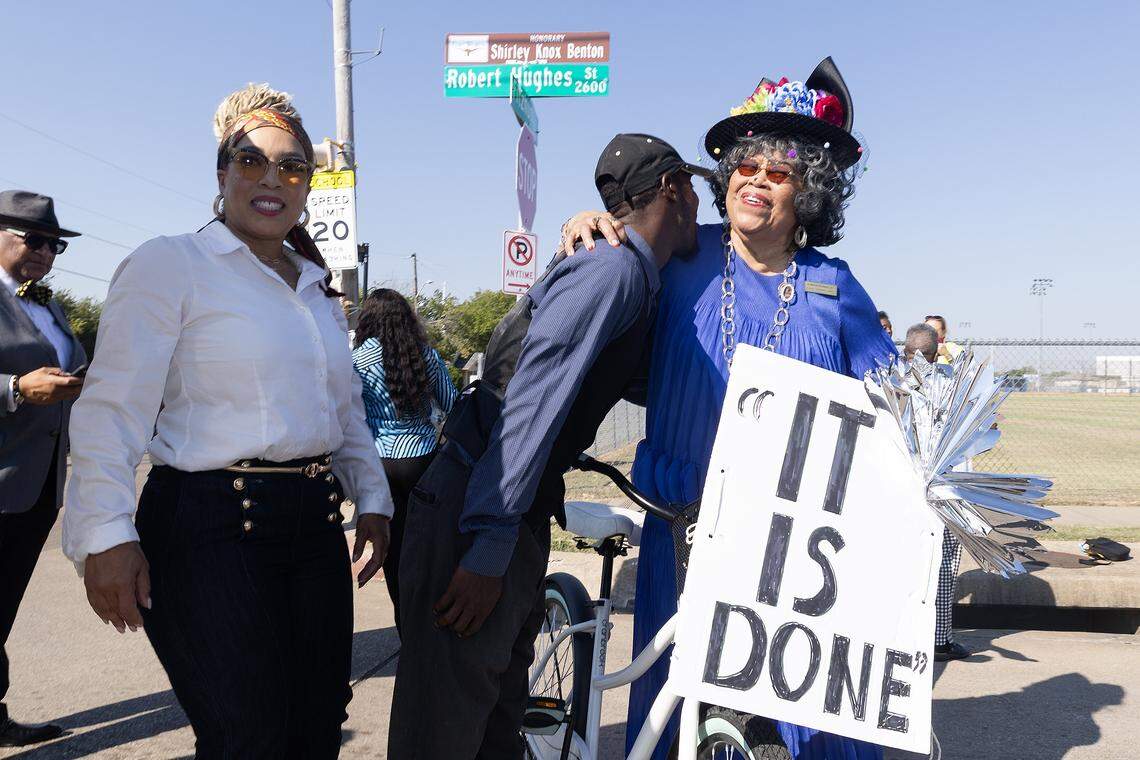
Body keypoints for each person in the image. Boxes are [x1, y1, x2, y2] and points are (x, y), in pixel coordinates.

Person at [563, 58, 895, 759]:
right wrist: (595, 222)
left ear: (808, 194)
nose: (756, 183)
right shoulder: (678, 258)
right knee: (677, 709)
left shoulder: (837, 288)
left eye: (779, 174)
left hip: (790, 540)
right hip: (681, 520)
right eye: (746, 168)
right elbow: (605, 284)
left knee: (790, 719)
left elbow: (890, 405)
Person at [61, 84, 394, 758]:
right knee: (246, 738)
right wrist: (103, 535)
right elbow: (110, 410)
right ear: (222, 173)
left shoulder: (314, 290)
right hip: (208, 526)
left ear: (309, 185)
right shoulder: (170, 264)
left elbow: (343, 410)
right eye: (250, 161)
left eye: (292, 166)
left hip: (312, 524)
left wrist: (375, 498)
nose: (273, 179)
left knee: (316, 729)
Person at [388, 133, 707, 759]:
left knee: (493, 730)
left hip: (506, 507)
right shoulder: (612, 271)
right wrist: (490, 542)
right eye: (692, 188)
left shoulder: (629, 272)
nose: (700, 201)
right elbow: (529, 395)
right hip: (477, 509)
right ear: (672, 188)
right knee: (442, 734)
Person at [0, 190, 84, 747]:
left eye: (54, 245)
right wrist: (15, 389)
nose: (46, 253)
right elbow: (23, 385)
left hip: (35, 489)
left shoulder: (47, 304)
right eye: (34, 239)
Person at [352, 287, 458, 630]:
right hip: (424, 462)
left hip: (379, 466)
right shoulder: (424, 355)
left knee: (393, 556)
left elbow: (350, 418)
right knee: (430, 554)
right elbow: (453, 405)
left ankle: (407, 632)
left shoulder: (357, 362)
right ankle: (434, 630)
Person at [904, 323, 970, 660]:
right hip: (944, 488)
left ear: (905, 350)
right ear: (936, 351)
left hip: (900, 488)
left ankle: (900, 633)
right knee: (944, 564)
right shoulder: (952, 385)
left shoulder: (890, 382)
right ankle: (939, 638)